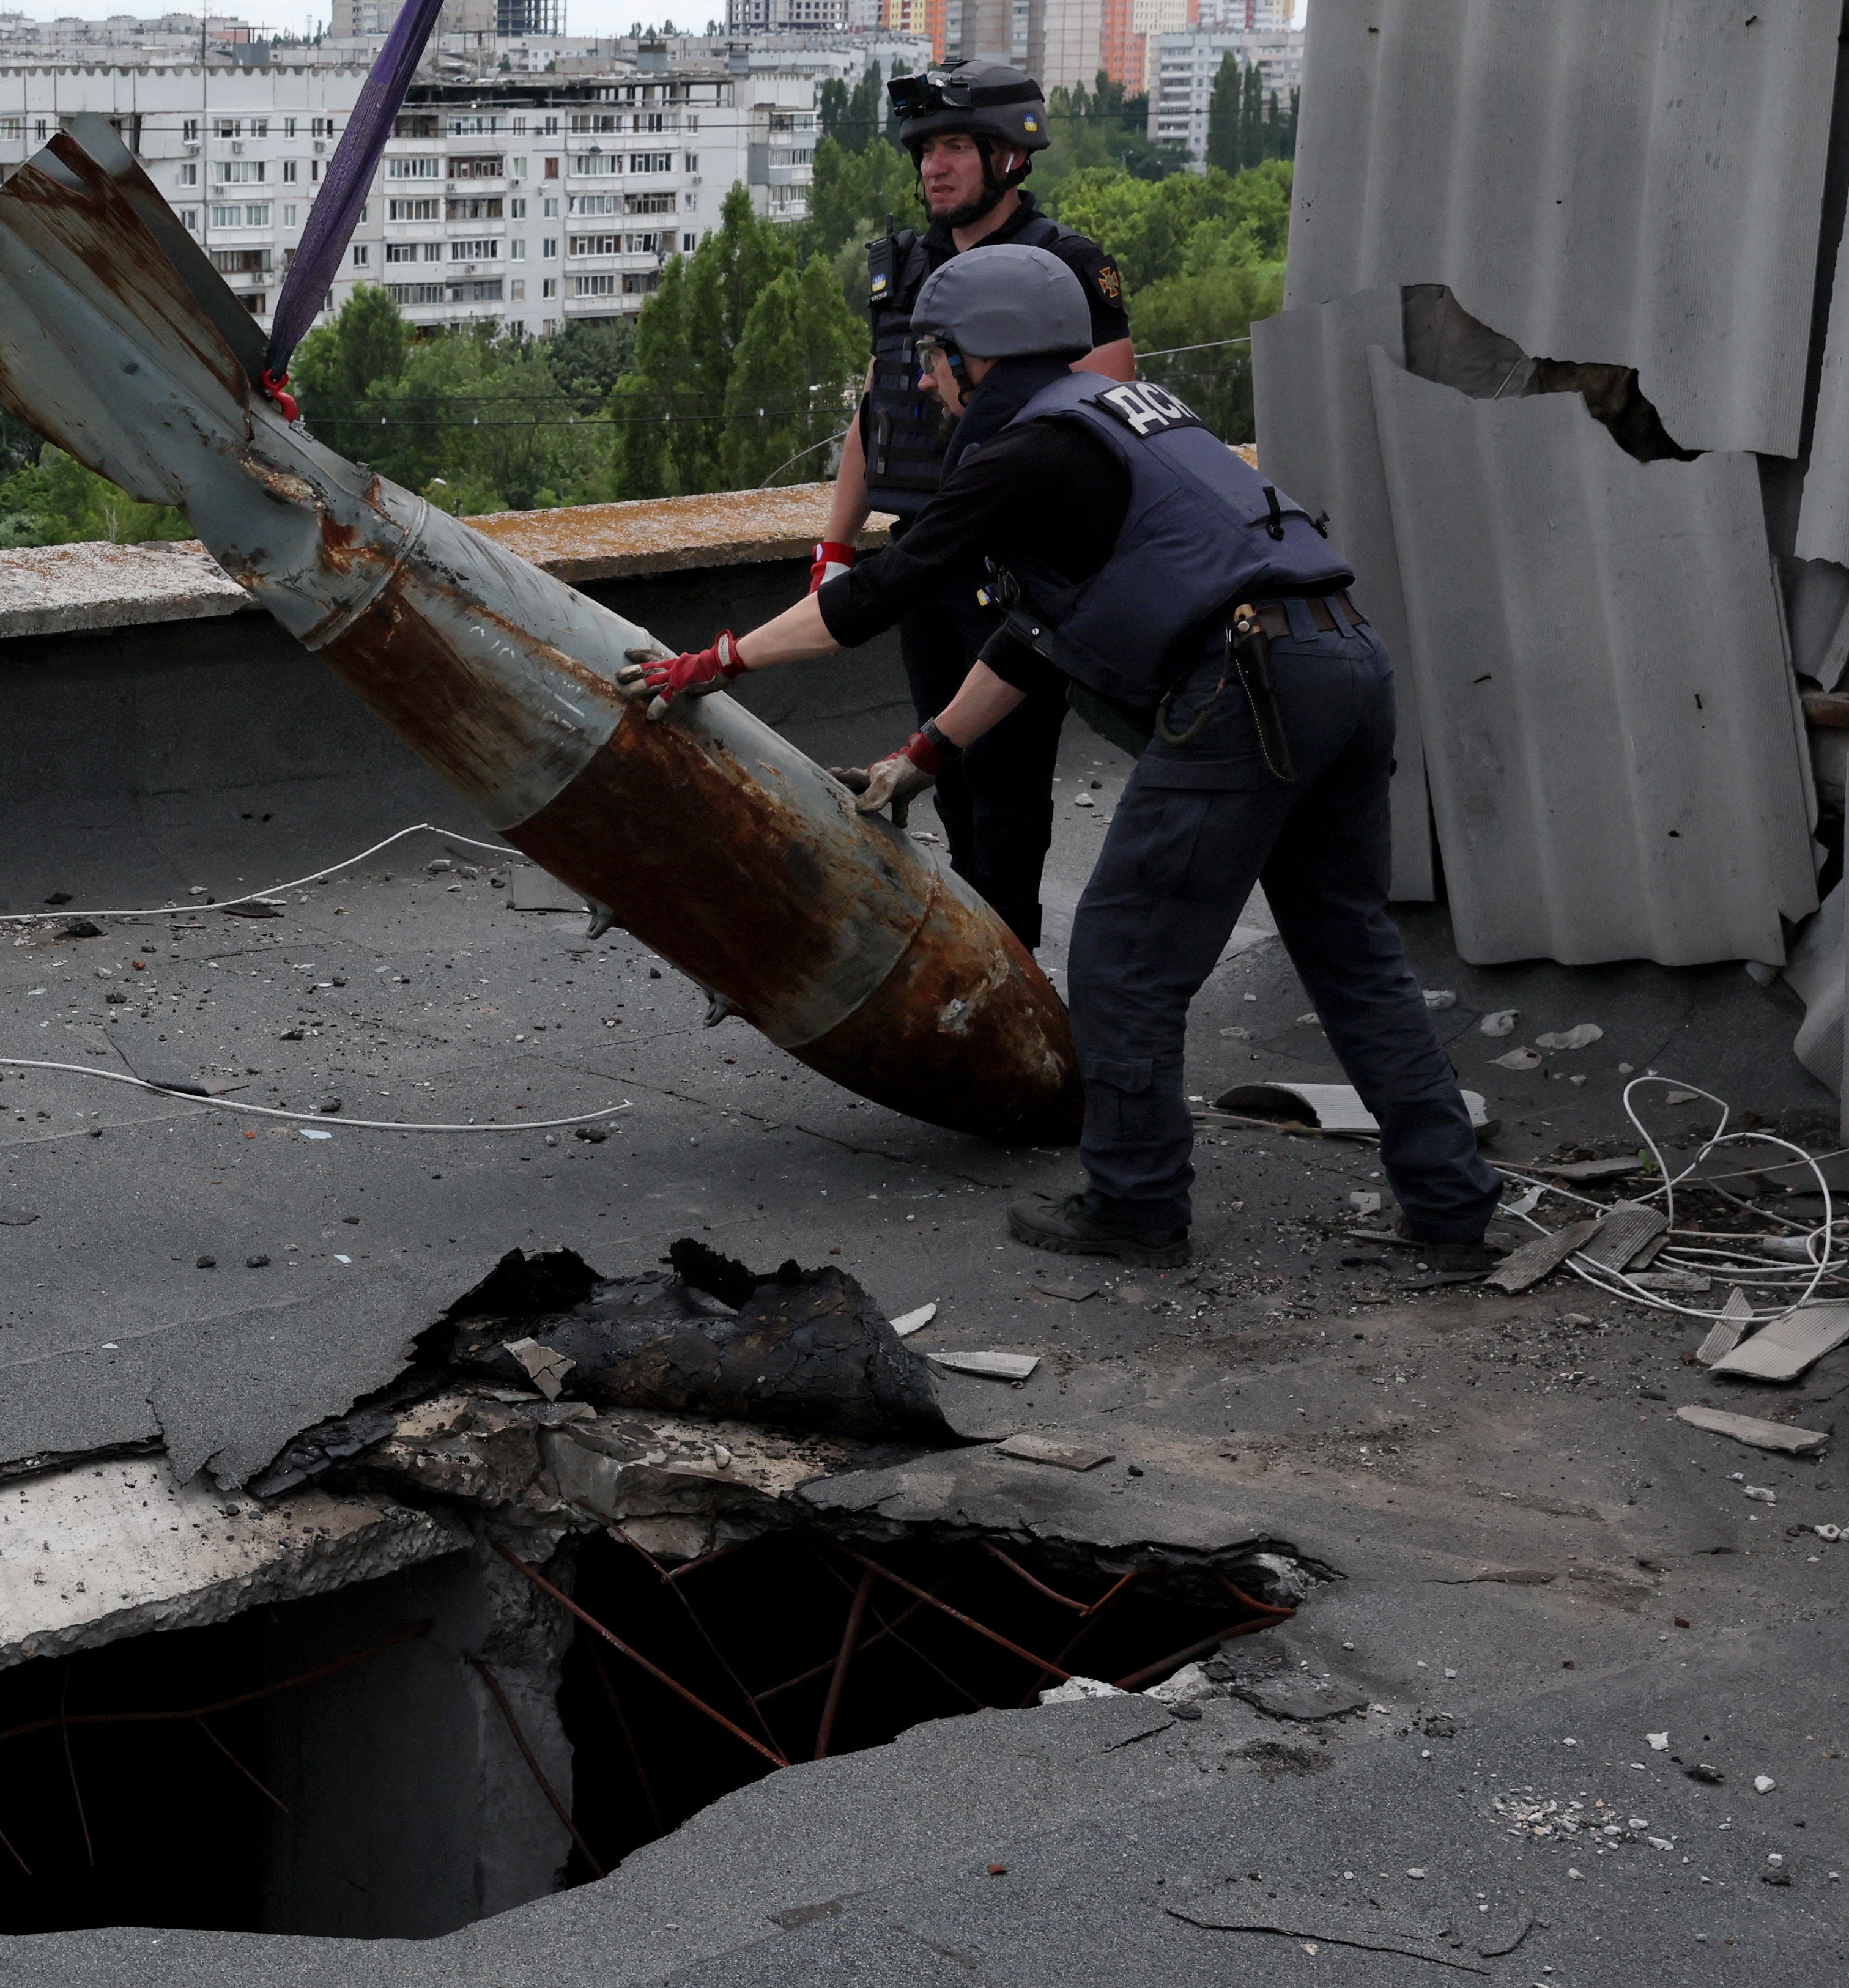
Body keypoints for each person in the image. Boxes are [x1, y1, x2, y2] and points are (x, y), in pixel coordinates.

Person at [620, 245, 1498, 1272]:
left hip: (1244, 680)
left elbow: (881, 591)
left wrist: (714, 661)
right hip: (1337, 655)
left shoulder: (1021, 454)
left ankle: (1132, 1205)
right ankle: (1450, 1205)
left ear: (974, 357)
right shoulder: (1126, 417)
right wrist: (925, 754)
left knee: (1124, 959)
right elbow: (1037, 634)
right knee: (1350, 950)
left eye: (933, 360)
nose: (927, 383)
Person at [809, 60, 1135, 955]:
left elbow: (1099, 410)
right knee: (941, 770)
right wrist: (834, 549)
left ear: (1009, 158)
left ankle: (1009, 959)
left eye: (955, 147)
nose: (933, 168)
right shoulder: (902, 268)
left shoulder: (1064, 267)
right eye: (924, 152)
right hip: (923, 554)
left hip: (1014, 563)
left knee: (1007, 778)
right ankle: (970, 949)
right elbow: (874, 413)